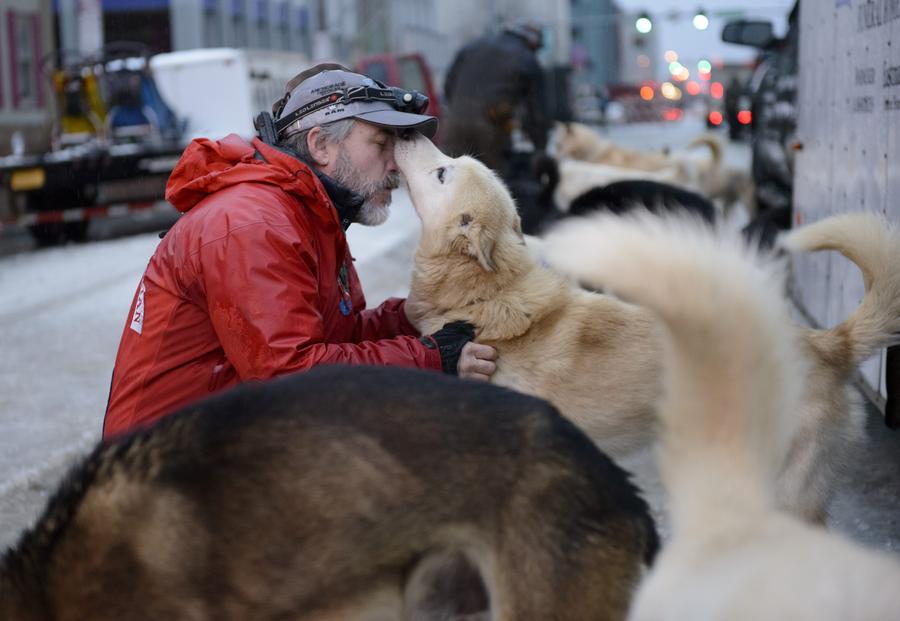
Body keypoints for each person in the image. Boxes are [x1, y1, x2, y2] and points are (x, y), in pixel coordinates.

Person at [102, 64, 498, 439]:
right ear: (321, 144)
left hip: (219, 448)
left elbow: (333, 339)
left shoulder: (308, 215)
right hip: (162, 479)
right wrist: (431, 360)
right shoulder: (253, 224)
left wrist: (408, 318)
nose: (396, 164)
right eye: (381, 143)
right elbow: (289, 376)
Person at [442, 21, 550, 176]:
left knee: (451, 177)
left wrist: (457, 110)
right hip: (492, 123)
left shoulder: (473, 45)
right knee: (492, 182)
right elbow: (537, 112)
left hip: (455, 122)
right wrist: (540, 147)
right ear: (533, 41)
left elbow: (449, 83)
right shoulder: (526, 58)